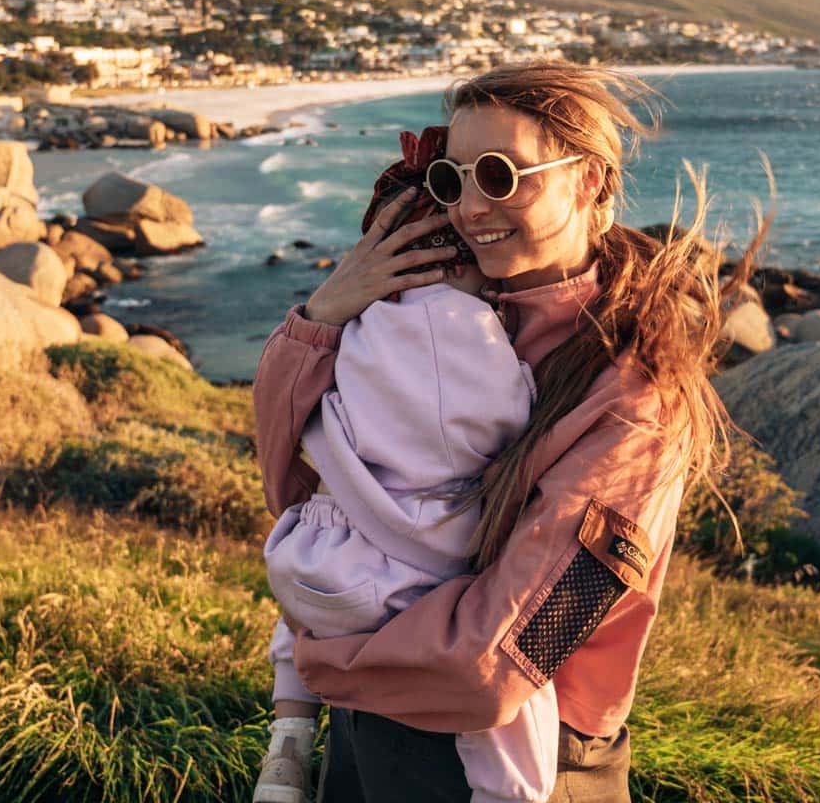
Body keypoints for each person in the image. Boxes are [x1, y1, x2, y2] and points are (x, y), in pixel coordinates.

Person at [253, 62, 753, 801]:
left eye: (501, 173)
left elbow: (505, 661)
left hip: (530, 762)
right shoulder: (432, 321)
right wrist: (324, 316)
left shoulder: (636, 396)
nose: (470, 208)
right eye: (453, 181)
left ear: (590, 181)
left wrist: (321, 660)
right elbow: (289, 483)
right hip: (375, 727)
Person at [254, 127, 559, 803]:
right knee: (512, 699)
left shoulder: (356, 326)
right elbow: (501, 422)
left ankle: (287, 742)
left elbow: (290, 423)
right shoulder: (464, 332)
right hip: (405, 577)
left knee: (302, 625)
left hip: (313, 551)